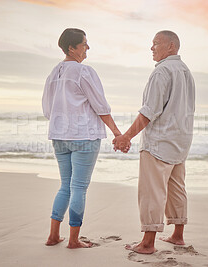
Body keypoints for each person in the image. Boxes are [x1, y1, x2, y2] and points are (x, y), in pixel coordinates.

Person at [113, 30, 195, 254]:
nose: (152, 48)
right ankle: (177, 235)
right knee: (176, 187)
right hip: (181, 140)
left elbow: (149, 112)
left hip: (160, 141)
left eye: (156, 44)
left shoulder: (162, 72)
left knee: (152, 191)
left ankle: (148, 242)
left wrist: (126, 137)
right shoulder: (185, 71)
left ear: (171, 46)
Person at [42, 28, 124, 248]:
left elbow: (47, 110)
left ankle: (53, 236)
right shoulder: (83, 71)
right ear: (72, 47)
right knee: (78, 187)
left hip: (59, 137)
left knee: (65, 187)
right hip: (84, 136)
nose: (88, 47)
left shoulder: (54, 73)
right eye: (84, 44)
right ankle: (74, 240)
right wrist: (117, 133)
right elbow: (100, 106)